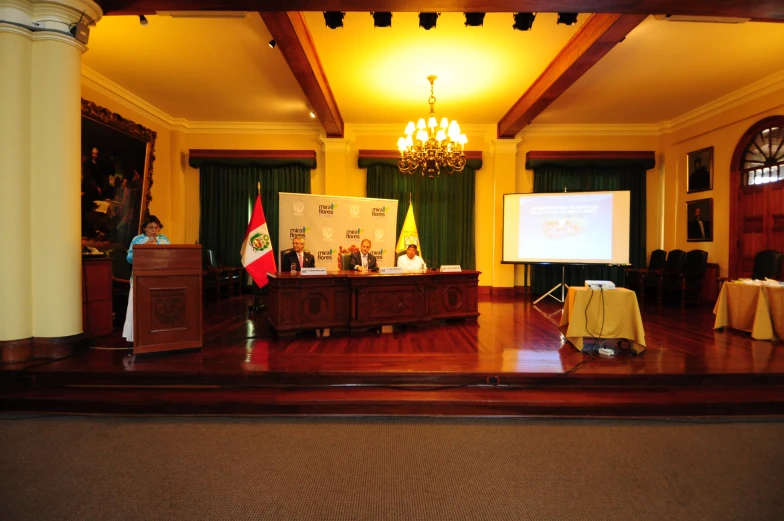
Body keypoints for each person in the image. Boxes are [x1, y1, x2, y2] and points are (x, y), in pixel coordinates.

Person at [122, 215, 171, 342]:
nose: (154, 230)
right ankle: (137, 336)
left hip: (160, 277)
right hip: (141, 278)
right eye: (150, 227)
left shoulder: (164, 239)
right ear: (144, 228)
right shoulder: (137, 240)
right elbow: (129, 259)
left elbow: (170, 257)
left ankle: (159, 334)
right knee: (139, 307)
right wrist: (144, 246)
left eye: (157, 227)